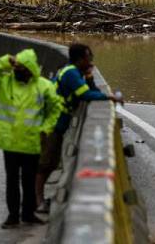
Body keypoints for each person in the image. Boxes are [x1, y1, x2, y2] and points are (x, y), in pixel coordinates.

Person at [35, 43, 123, 213]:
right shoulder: (70, 74)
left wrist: (89, 77)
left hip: (58, 124)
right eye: (89, 57)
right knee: (45, 164)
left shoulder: (76, 73)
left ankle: (38, 198)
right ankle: (37, 200)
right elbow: (85, 95)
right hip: (51, 124)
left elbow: (90, 90)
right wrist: (109, 97)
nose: (91, 61)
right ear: (80, 59)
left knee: (52, 163)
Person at [0, 49, 62, 228]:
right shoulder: (5, 83)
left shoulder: (43, 86)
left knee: (28, 181)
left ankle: (28, 214)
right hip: (9, 142)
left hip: (32, 142)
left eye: (21, 68)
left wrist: (46, 128)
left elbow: (56, 108)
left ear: (30, 68)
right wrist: (5, 60)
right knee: (12, 181)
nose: (17, 71)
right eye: (16, 68)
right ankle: (13, 216)